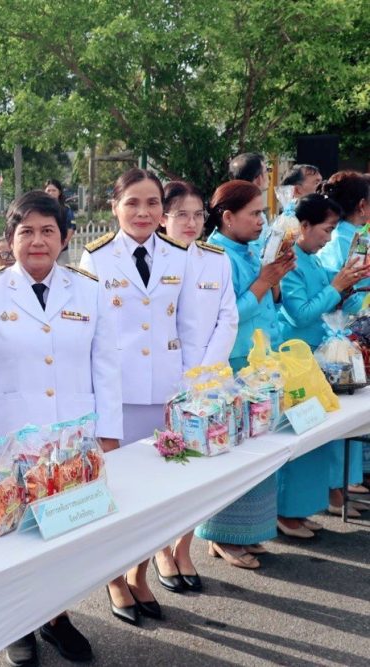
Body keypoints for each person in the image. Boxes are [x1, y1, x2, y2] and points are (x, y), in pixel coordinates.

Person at [0, 191, 121, 663]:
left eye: (48, 231)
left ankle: (57, 616)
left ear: (65, 238)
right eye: (26, 231)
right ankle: (16, 624)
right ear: (10, 239)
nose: (37, 241)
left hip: (72, 442)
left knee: (66, 533)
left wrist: (108, 433)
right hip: (8, 442)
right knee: (14, 534)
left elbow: (106, 365)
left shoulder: (88, 290)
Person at [80, 168, 189, 625]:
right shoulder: (96, 258)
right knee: (115, 491)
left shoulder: (180, 254)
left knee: (154, 495)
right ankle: (113, 578)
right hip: (116, 396)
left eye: (152, 203)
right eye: (133, 203)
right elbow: (87, 336)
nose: (143, 212)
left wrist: (187, 392)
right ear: (115, 207)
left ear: (163, 210)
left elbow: (187, 325)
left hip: (165, 393)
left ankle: (138, 573)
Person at [194, 180, 295, 569]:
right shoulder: (216, 255)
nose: (261, 221)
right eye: (253, 214)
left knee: (259, 451)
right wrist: (264, 282)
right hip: (235, 363)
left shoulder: (251, 250)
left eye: (263, 213)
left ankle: (248, 531)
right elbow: (227, 315)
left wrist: (276, 278)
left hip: (261, 361)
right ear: (227, 217)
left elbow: (270, 302)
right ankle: (222, 535)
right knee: (233, 451)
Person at [153, 180, 238, 593]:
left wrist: (204, 373)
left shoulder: (216, 260)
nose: (191, 223)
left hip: (205, 383)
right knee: (159, 472)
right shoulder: (152, 261)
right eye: (181, 215)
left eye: (198, 215)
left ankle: (182, 547)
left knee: (196, 472)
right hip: (159, 383)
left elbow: (228, 317)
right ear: (163, 218)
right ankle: (158, 549)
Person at [276, 194, 368, 533]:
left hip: (319, 357)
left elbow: (333, 294)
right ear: (304, 226)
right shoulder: (290, 262)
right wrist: (336, 287)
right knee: (300, 439)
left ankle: (304, 507)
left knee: (318, 436)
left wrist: (350, 282)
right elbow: (299, 314)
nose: (329, 238)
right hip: (296, 359)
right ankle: (287, 512)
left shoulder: (312, 259)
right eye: (326, 230)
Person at [316, 171, 370, 502]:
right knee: (342, 410)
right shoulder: (347, 241)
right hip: (343, 331)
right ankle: (338, 485)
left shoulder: (348, 237)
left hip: (348, 328)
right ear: (362, 205)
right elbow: (341, 291)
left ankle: (343, 482)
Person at [44, 179, 76, 264]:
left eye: (54, 190)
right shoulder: (40, 210)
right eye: (48, 190)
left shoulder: (66, 210)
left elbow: (71, 229)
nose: (51, 193)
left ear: (59, 192)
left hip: (61, 252)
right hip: (43, 252)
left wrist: (60, 248)